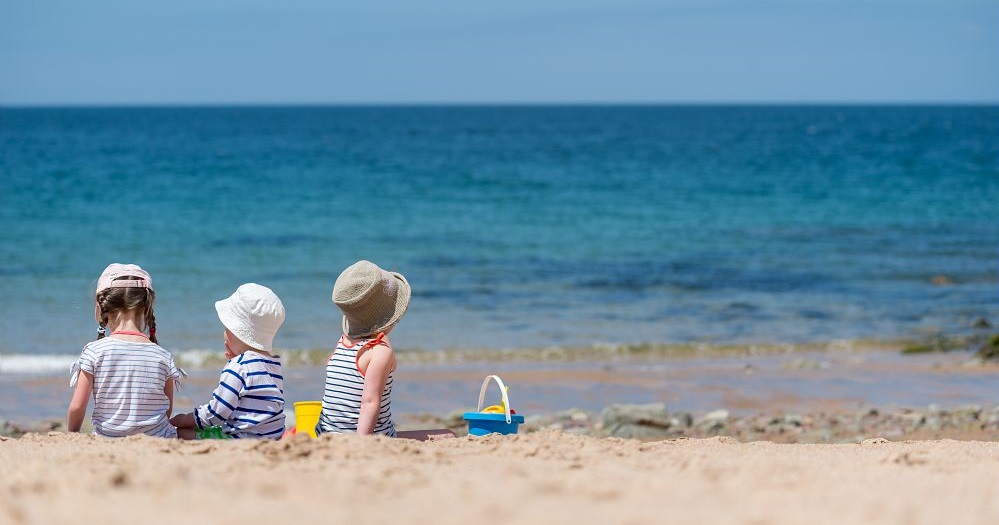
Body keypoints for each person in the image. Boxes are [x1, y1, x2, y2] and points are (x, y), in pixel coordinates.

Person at [316, 260, 454, 440]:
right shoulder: (380, 352)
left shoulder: (342, 342)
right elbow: (369, 402)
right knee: (449, 435)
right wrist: (362, 443)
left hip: (326, 435)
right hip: (365, 437)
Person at [67, 263, 185, 438]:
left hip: (107, 438)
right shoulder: (163, 356)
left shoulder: (94, 351)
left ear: (100, 308)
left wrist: (72, 434)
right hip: (157, 439)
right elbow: (166, 410)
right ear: (147, 308)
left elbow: (78, 407)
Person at [170, 283, 286, 439]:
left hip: (240, 440)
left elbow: (216, 413)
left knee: (181, 433)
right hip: (272, 437)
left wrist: (184, 419)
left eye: (227, 328)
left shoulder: (239, 366)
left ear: (236, 331)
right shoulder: (274, 364)